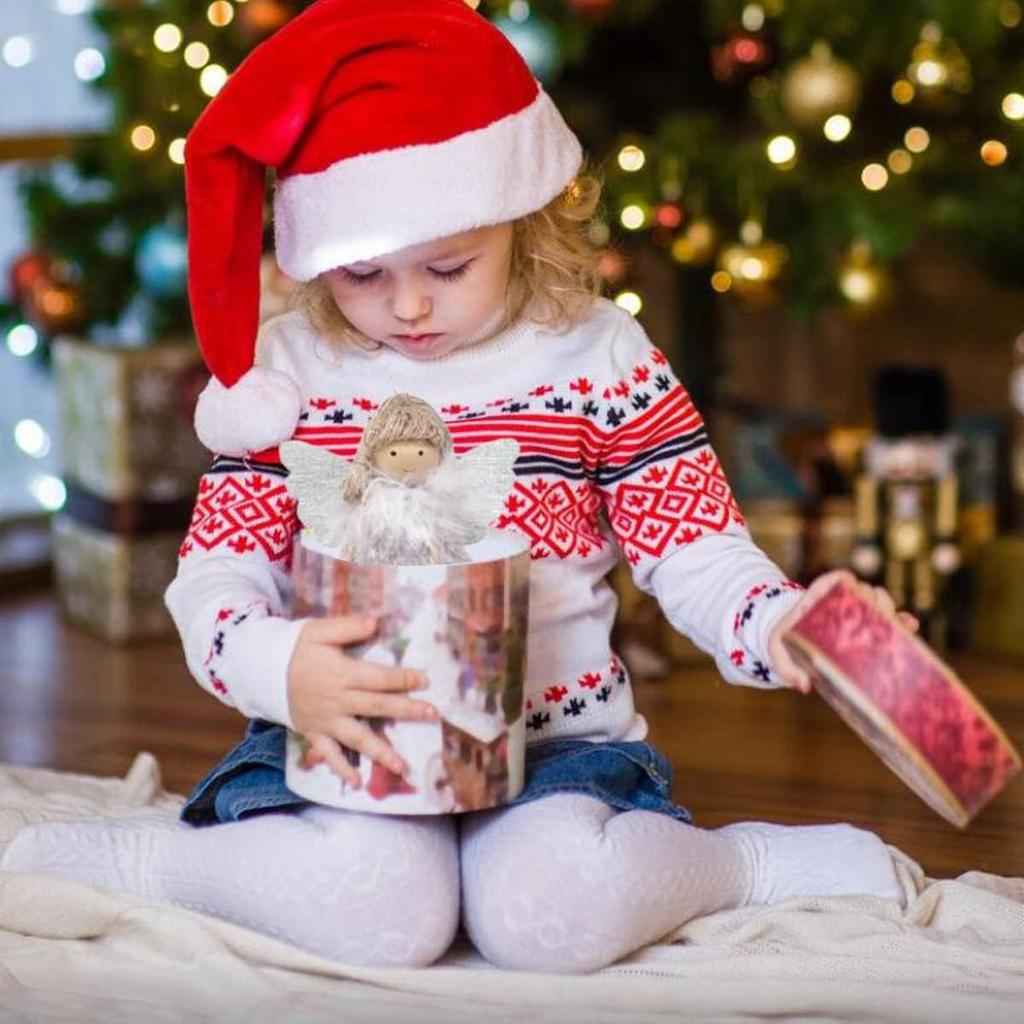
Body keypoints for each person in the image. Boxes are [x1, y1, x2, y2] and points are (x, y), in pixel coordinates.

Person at [0, 0, 911, 973]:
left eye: (448, 263)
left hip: (554, 746)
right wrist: (279, 663)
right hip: (347, 738)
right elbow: (217, 573)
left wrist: (775, 621)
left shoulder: (597, 355)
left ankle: (739, 865)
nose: (409, 304)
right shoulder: (287, 371)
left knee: (551, 918)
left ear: (521, 215)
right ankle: (161, 862)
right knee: (382, 912)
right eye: (360, 275)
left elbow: (690, 542)